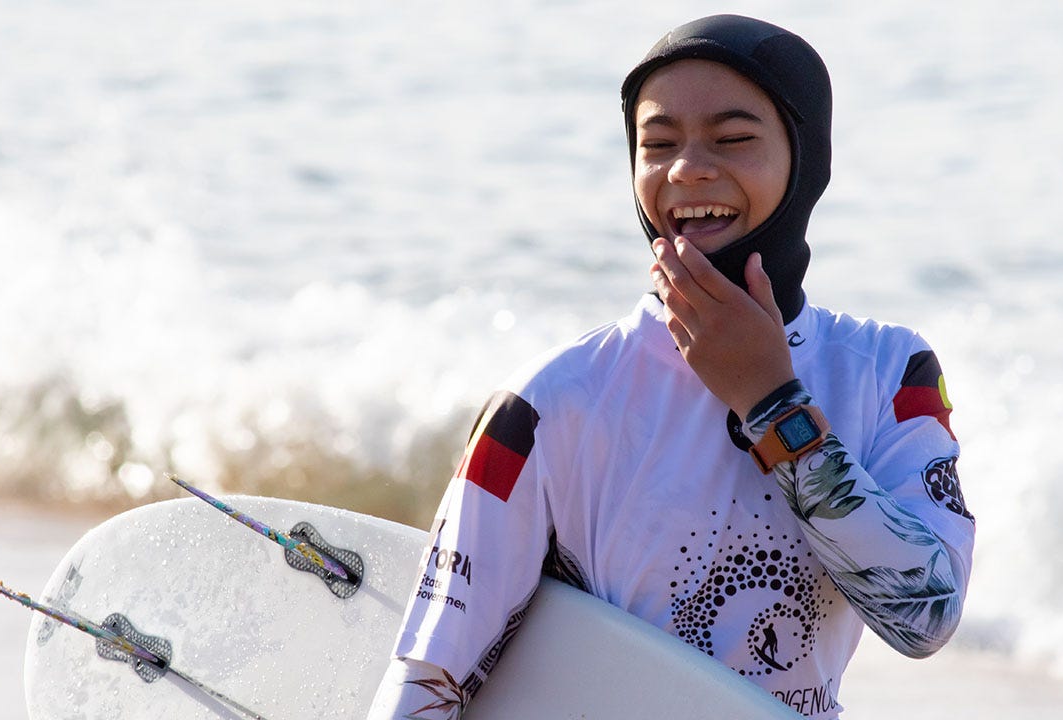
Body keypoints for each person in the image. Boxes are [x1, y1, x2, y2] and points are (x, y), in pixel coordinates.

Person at [367, 14, 974, 720]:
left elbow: (924, 619)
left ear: (806, 161)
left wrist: (772, 403)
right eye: (656, 144)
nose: (685, 169)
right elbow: (428, 678)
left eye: (733, 138)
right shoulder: (549, 404)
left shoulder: (886, 374)